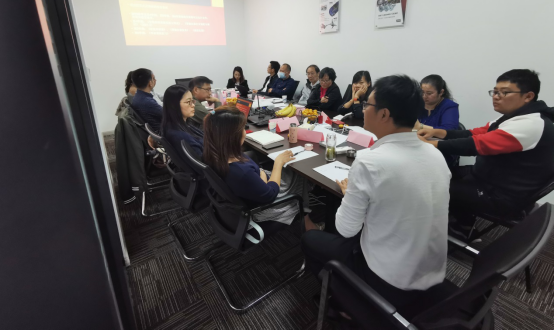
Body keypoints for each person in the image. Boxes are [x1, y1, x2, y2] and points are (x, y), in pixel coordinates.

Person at [302, 75, 451, 311]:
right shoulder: (436, 155)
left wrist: (350, 192)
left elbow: (346, 230)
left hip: (388, 279)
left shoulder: (370, 161)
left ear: (384, 114)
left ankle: (343, 303)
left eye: (367, 104)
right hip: (431, 273)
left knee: (311, 238)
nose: (363, 109)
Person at [418, 69, 554, 236]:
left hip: (501, 194)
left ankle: (458, 229)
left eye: (504, 93)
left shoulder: (530, 124)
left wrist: (432, 144)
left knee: (430, 185)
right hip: (491, 176)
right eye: (495, 92)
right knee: (439, 173)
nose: (496, 97)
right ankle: (462, 222)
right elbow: (476, 133)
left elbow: (476, 145)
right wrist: (437, 133)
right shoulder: (514, 117)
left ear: (528, 96)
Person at [203, 106, 319, 229]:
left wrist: (261, 174)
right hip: (264, 205)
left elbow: (253, 175)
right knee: (299, 174)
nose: (244, 132)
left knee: (290, 170)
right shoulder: (241, 172)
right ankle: (307, 221)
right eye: (242, 129)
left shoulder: (215, 153)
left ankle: (306, 217)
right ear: (232, 136)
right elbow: (270, 195)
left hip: (254, 189)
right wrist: (278, 163)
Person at [161, 85, 204, 158]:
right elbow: (204, 161)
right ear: (174, 105)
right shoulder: (181, 136)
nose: (193, 105)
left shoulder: (181, 125)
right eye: (188, 102)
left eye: (192, 101)